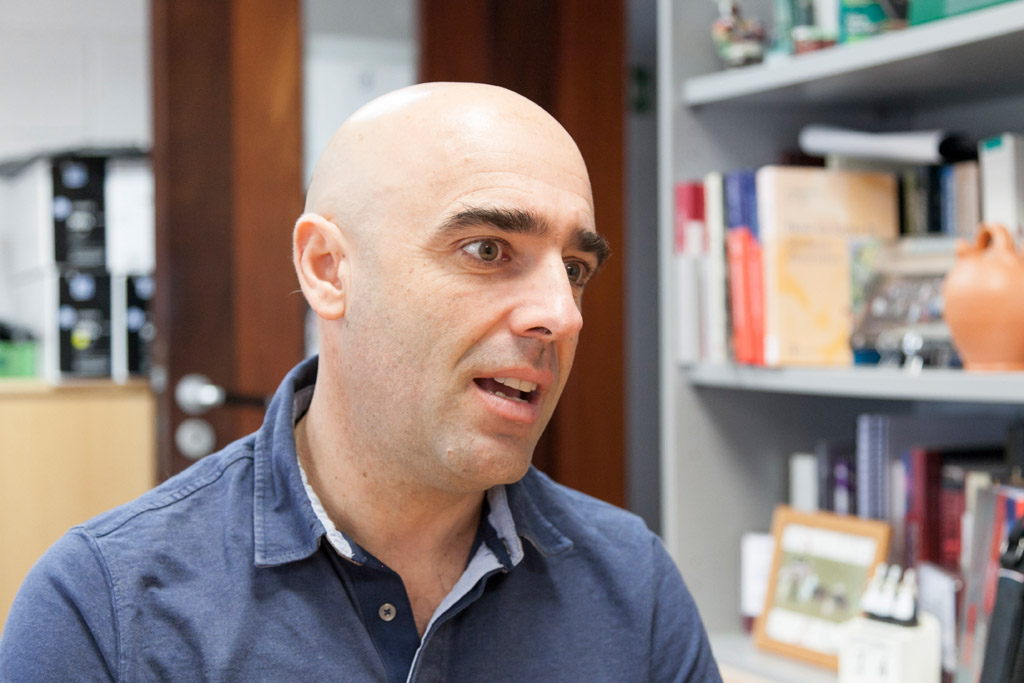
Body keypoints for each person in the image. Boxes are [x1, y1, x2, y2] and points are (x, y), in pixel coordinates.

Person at [0, 82, 720, 682]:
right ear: (327, 269)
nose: (562, 316)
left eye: (574, 269)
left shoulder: (634, 586)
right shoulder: (106, 611)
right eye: (487, 249)